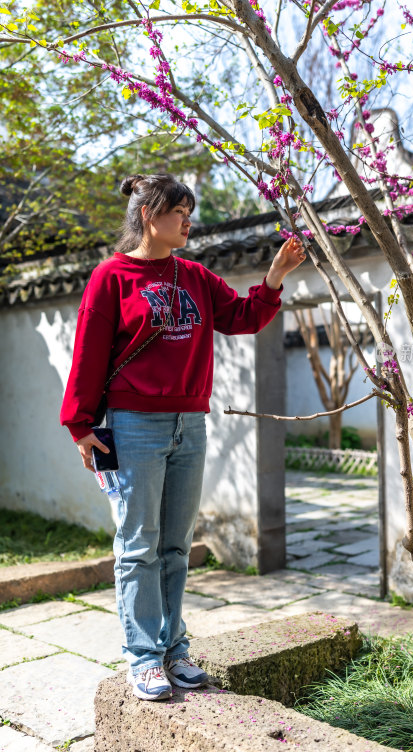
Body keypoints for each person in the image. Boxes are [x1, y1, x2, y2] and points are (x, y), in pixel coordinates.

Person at [60, 173, 306, 701]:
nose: (188, 221)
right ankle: (144, 655)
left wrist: (274, 277)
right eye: (179, 212)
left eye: (189, 212)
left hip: (188, 424)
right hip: (133, 426)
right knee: (137, 547)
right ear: (149, 214)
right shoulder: (112, 278)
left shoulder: (194, 276)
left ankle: (175, 649)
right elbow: (88, 353)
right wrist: (81, 425)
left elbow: (241, 317)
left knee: (175, 547)